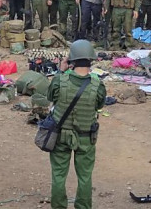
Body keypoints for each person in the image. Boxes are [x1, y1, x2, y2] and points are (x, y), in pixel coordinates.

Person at [47, 40, 106, 209]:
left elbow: (50, 96)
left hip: (61, 136)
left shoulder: (60, 80)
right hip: (85, 136)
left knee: (58, 175)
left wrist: (61, 70)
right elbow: (100, 105)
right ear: (91, 60)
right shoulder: (98, 85)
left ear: (71, 60)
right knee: (85, 176)